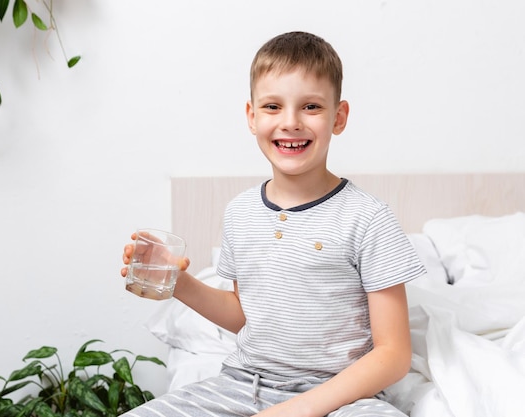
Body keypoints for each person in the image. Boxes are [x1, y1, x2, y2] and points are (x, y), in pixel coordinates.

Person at [120, 31, 426, 417]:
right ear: (252, 116)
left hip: (341, 398)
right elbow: (244, 317)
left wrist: (298, 409)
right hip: (241, 386)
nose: (291, 122)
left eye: (311, 106)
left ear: (339, 117)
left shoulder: (367, 218)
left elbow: (394, 353)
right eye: (272, 107)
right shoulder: (240, 212)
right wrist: (178, 283)